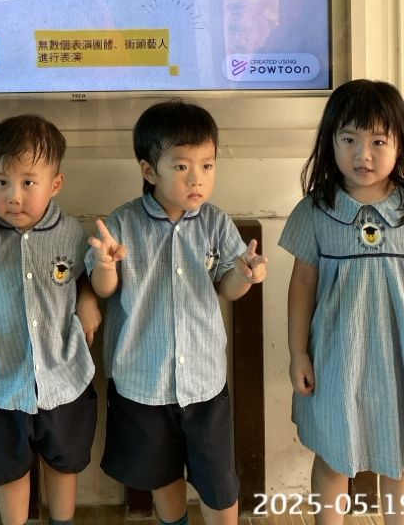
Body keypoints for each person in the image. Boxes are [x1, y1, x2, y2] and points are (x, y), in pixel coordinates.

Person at [279, 79, 404, 525]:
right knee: (333, 457)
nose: (363, 154)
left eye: (377, 141)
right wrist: (297, 352)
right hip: (335, 361)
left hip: (401, 362)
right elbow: (302, 285)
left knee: (399, 460)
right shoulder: (315, 210)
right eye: (349, 139)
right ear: (330, 141)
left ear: (399, 145)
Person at [86, 99, 267, 525]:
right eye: (182, 166)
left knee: (218, 481)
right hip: (142, 381)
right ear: (150, 170)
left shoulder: (216, 222)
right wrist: (107, 266)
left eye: (207, 165)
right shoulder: (123, 223)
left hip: (204, 382)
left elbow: (227, 288)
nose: (197, 178)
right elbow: (103, 289)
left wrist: (245, 275)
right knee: (161, 474)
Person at [0, 114, 101, 525]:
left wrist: (88, 299)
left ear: (55, 184)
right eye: (2, 182)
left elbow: (84, 276)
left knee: (64, 463)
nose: (13, 196)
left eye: (28, 183)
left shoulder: (71, 233)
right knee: (9, 468)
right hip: (3, 378)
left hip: (63, 375)